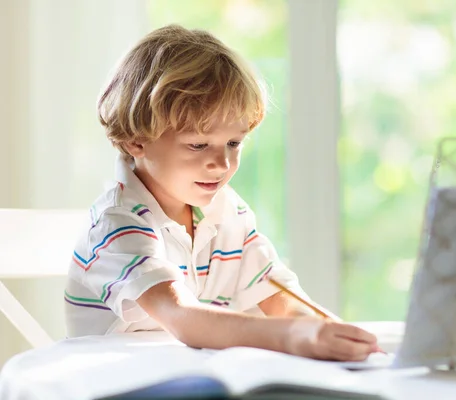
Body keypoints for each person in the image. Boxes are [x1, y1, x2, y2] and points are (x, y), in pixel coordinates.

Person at [64, 25, 378, 361]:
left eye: (234, 143)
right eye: (198, 145)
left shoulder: (229, 212)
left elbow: (278, 295)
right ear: (135, 140)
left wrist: (326, 332)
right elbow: (183, 318)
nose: (222, 163)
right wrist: (294, 336)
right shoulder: (117, 222)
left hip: (197, 376)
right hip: (118, 384)